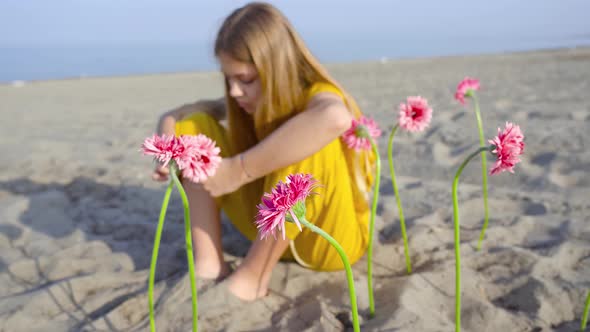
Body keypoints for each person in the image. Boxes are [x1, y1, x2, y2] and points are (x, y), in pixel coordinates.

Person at [152, 2, 376, 302]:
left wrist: (238, 170)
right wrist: (167, 148)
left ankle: (252, 278)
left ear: (277, 69)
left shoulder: (317, 94)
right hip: (264, 226)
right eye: (228, 78)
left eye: (245, 79)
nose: (234, 91)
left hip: (328, 241)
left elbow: (335, 118)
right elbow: (178, 116)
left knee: (313, 137)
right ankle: (209, 263)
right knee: (195, 124)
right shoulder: (246, 100)